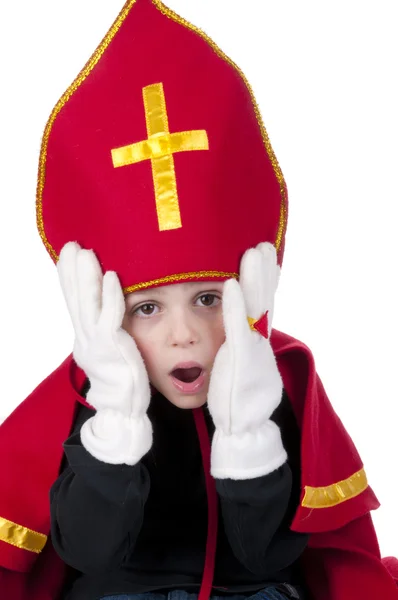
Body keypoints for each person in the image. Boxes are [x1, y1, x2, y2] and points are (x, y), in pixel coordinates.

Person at [0, 1, 397, 599]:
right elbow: (87, 551)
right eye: (148, 309)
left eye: (209, 298)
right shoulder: (89, 395)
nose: (184, 333)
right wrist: (112, 428)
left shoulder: (280, 382)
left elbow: (272, 555)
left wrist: (250, 438)